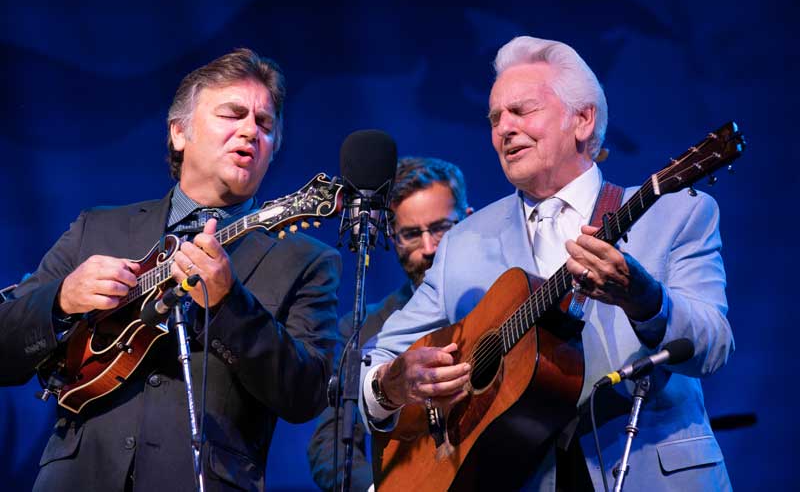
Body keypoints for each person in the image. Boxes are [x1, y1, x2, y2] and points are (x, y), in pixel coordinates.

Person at [360, 36, 733, 490]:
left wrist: (645, 300)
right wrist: (390, 387)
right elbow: (380, 356)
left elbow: (714, 347)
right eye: (496, 118)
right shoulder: (462, 242)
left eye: (522, 111)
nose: (504, 129)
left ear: (582, 119)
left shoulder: (678, 214)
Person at [0, 48, 341, 491]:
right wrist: (61, 298)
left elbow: (307, 395)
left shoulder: (306, 261)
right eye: (233, 114)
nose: (250, 132)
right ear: (179, 133)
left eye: (265, 124)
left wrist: (228, 306)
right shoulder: (96, 229)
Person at [307, 157, 471, 491]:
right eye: (411, 234)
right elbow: (331, 443)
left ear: (469, 222)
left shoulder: (498, 295)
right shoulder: (361, 328)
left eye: (442, 228)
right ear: (392, 238)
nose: (429, 248)